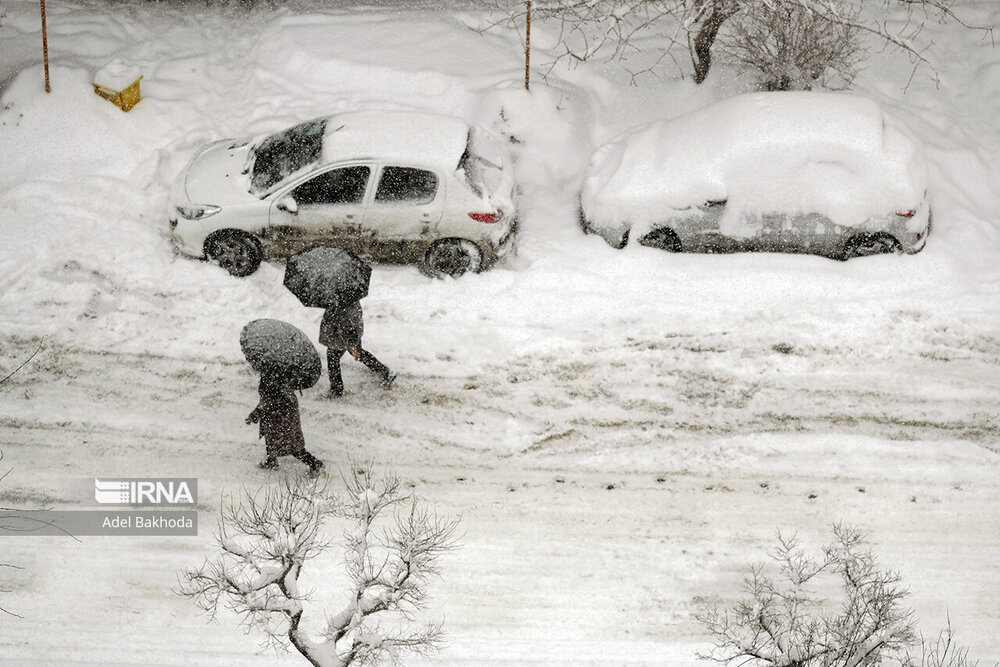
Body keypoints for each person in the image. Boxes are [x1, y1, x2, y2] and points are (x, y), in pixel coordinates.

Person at [245, 376, 324, 475]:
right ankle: (271, 460)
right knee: (277, 441)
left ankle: (314, 464)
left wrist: (253, 416)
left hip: (279, 420)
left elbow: (265, 403)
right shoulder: (282, 376)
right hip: (285, 418)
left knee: (292, 447)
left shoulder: (270, 379)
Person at [319, 300, 396, 397]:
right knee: (349, 353)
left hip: (342, 332)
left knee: (333, 356)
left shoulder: (341, 301)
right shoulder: (346, 295)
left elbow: (347, 321)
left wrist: (352, 343)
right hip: (344, 329)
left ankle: (337, 390)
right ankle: (384, 371)